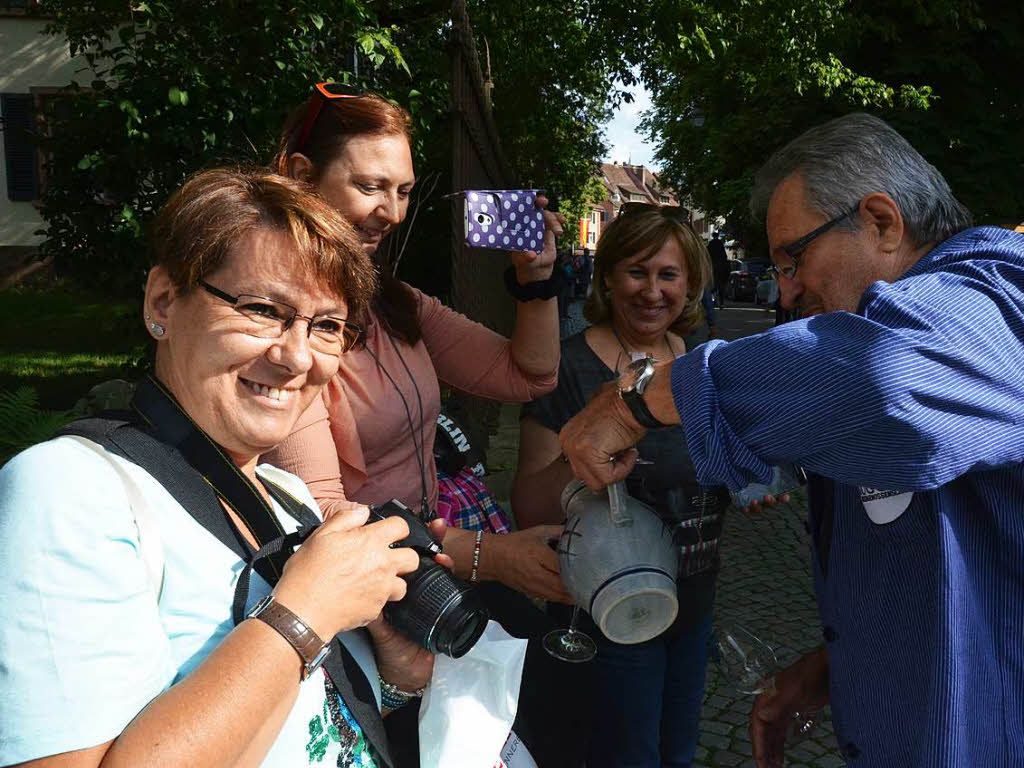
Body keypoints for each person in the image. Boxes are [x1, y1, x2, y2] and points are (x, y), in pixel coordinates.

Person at [557, 112, 1024, 767]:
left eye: (794, 259)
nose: (786, 290)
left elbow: (888, 382)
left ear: (882, 222)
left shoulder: (997, 291)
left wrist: (642, 399)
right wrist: (837, 663)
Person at [0, 168, 441, 766]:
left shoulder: (287, 497)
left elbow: (299, 729)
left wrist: (394, 678)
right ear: (163, 303)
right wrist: (305, 612)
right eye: (262, 309)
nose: (296, 357)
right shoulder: (69, 491)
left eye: (328, 327)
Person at [264, 84, 570, 606]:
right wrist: (487, 556)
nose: (394, 212)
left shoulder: (395, 303)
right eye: (370, 186)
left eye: (403, 191)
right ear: (301, 177)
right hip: (370, 589)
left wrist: (536, 280)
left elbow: (529, 376)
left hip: (433, 551)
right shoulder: (284, 331)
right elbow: (324, 514)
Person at [512, 205, 726, 768]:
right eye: (637, 271)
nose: (652, 291)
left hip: (694, 601)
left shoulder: (700, 362)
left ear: (691, 284)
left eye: (668, 275)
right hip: (608, 609)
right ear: (607, 277)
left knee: (677, 752)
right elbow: (528, 503)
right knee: (625, 756)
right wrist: (586, 454)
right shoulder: (568, 366)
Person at [708, 231, 729, 307]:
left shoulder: (711, 243)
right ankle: (722, 302)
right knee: (721, 285)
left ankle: (712, 301)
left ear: (713, 236)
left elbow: (708, 255)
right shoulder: (720, 243)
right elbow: (724, 255)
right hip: (721, 266)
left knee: (712, 284)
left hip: (712, 265)